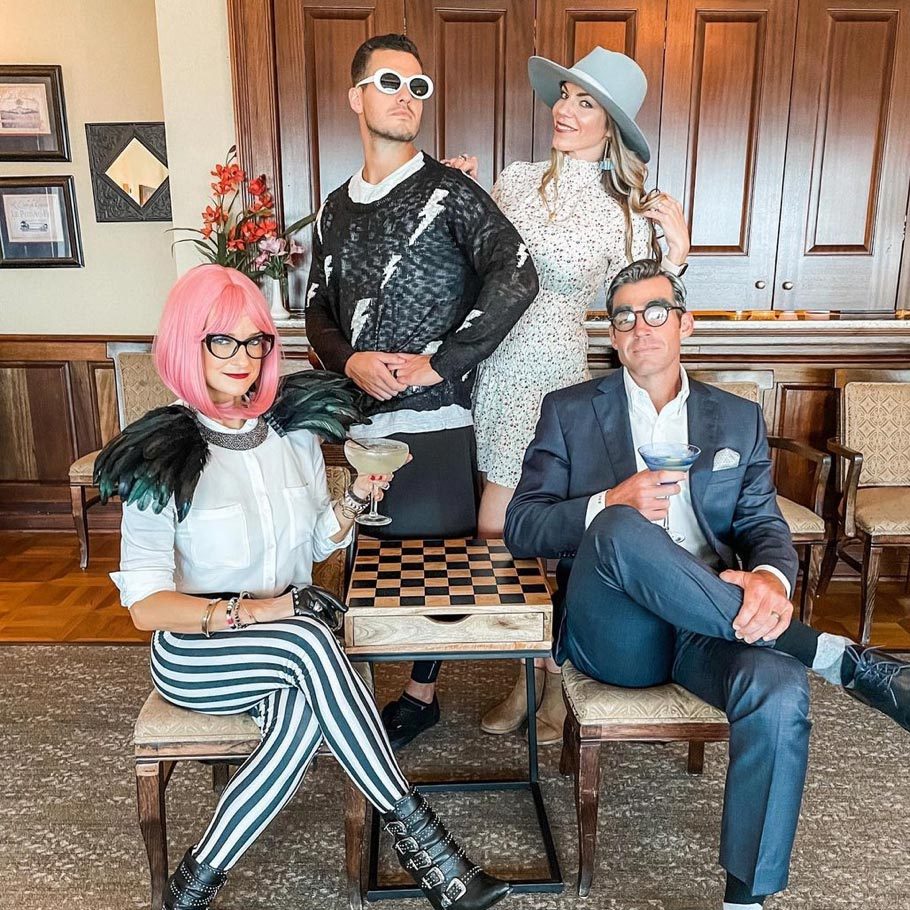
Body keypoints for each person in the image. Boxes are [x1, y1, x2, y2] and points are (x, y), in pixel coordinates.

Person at [99, 265, 511, 910]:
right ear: (187, 343)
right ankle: (430, 850)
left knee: (297, 714)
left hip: (289, 636)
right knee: (312, 642)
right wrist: (264, 610)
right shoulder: (162, 451)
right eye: (221, 341)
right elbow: (146, 606)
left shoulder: (291, 433)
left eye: (255, 340)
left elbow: (320, 542)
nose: (243, 357)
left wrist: (356, 500)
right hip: (199, 649)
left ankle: (192, 887)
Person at [504, 257, 910, 910]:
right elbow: (523, 526)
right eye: (625, 316)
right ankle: (825, 652)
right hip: (618, 633)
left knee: (777, 687)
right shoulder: (570, 411)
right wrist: (609, 498)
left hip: (711, 628)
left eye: (656, 311)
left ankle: (745, 900)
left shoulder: (735, 418)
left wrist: (772, 580)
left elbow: (763, 525)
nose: (641, 327)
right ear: (612, 335)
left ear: (686, 323)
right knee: (616, 527)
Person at [305, 33, 539, 750]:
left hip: (437, 424)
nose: (406, 96)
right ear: (356, 97)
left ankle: (420, 694)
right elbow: (316, 308)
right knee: (364, 561)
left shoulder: (451, 192)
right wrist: (348, 363)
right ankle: (347, 699)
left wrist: (445, 362)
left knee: (432, 579)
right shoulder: (333, 210)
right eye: (389, 82)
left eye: (418, 87)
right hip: (360, 423)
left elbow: (518, 273)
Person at [451, 48, 690, 743]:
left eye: (585, 102)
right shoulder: (515, 181)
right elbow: (476, 270)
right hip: (499, 370)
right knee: (496, 534)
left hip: (565, 379)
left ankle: (560, 682)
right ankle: (523, 675)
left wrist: (674, 257)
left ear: (610, 123)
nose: (565, 108)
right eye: (564, 94)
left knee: (558, 537)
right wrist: (459, 201)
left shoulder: (628, 209)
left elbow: (645, 309)